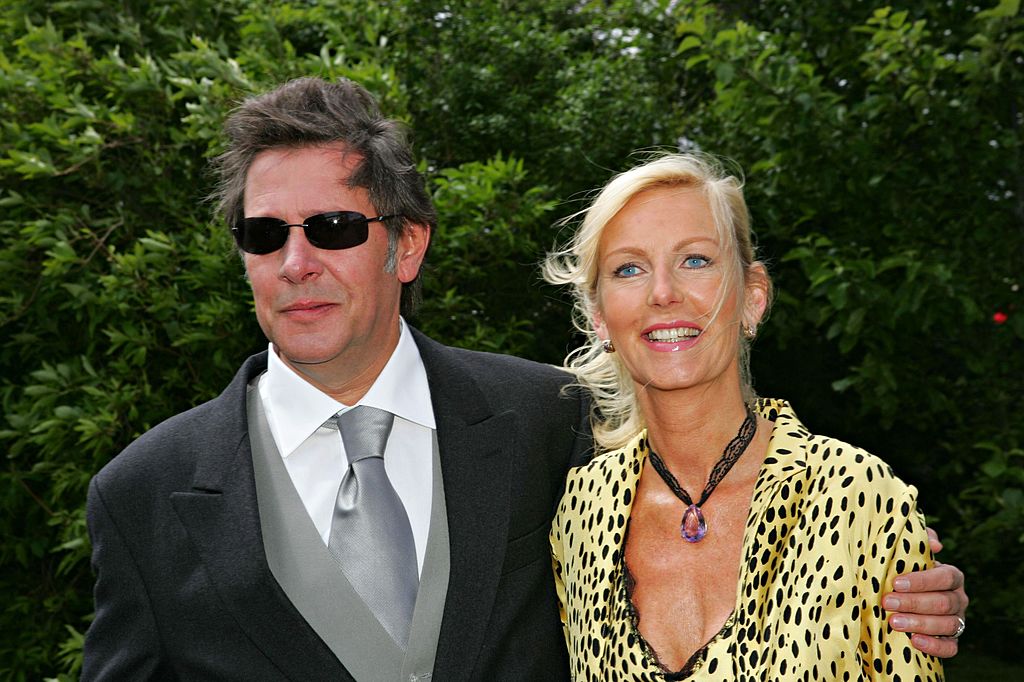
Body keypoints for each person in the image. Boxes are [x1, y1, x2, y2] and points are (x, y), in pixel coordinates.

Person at [83, 78, 964, 681]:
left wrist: (905, 598)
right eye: (265, 235)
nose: (296, 262)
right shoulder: (143, 495)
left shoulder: (545, 420)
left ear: (408, 243)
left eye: (336, 228)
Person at [544, 153, 954, 679]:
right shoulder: (578, 513)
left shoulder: (857, 495)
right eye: (629, 269)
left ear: (752, 299)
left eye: (695, 260)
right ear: (600, 317)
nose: (663, 293)